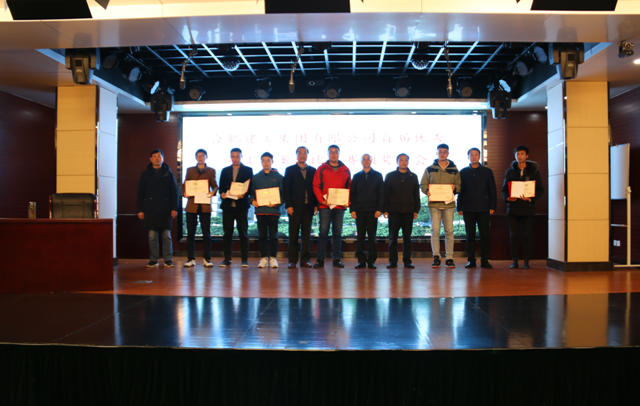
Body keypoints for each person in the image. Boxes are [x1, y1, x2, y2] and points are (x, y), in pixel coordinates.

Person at [501, 145, 545, 270]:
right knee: (513, 236)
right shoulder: (510, 171)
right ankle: (515, 261)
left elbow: (540, 189)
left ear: (527, 156)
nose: (519, 156)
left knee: (527, 236)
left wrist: (531, 198)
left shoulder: (534, 171)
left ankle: (526, 261)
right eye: (517, 154)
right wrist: (507, 198)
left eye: (522, 154)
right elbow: (504, 189)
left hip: (528, 209)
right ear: (515, 156)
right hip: (513, 208)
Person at [420, 143, 461, 269]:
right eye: (440, 151)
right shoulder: (429, 169)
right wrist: (427, 191)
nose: (442, 154)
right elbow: (423, 184)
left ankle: (449, 258)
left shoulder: (454, 169)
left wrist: (455, 188)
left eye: (445, 151)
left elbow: (459, 186)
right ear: (437, 153)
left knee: (449, 231)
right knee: (435, 231)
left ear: (448, 153)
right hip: (434, 204)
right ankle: (436, 257)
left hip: (449, 204)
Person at [137, 149, 178, 268]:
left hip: (165, 209)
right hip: (150, 209)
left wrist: (174, 208)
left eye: (159, 156)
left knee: (166, 236)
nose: (157, 158)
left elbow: (174, 192)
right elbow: (140, 193)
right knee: (152, 237)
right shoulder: (145, 174)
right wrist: (140, 210)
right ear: (150, 159)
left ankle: (168, 259)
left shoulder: (169, 174)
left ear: (163, 158)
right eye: (154, 156)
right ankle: (153, 260)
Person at [312, 144, 352, 268]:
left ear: (339, 154)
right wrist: (321, 201)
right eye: (331, 152)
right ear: (328, 154)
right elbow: (315, 186)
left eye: (336, 152)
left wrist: (347, 201)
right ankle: (320, 259)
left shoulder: (346, 170)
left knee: (337, 233)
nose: (333, 154)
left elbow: (349, 187)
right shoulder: (321, 169)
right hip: (325, 206)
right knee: (323, 232)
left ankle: (337, 259)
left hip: (340, 207)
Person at [457, 147, 496, 269]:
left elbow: (492, 190)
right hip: (468, 208)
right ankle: (471, 260)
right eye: (471, 155)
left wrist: (492, 205)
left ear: (479, 156)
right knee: (470, 236)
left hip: (483, 208)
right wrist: (459, 207)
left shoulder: (487, 171)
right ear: (468, 157)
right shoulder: (463, 172)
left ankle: (485, 260)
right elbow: (460, 191)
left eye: (476, 154)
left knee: (485, 235)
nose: (473, 157)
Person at [283, 146, 318, 269]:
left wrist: (316, 205)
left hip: (308, 207)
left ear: (307, 155)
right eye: (300, 153)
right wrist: (289, 205)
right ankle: (292, 260)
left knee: (306, 235)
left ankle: (305, 260)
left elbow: (315, 189)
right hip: (294, 207)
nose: (302, 155)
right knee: (293, 235)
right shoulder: (290, 170)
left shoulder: (313, 170)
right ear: (296, 155)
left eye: (304, 153)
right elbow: (286, 189)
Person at [383, 153, 420, 269]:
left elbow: (416, 195)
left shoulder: (413, 177)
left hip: (408, 211)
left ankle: (407, 261)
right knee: (392, 238)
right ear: (397, 162)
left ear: (408, 162)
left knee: (407, 238)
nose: (403, 162)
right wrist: (385, 210)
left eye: (405, 160)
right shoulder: (390, 176)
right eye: (401, 160)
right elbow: (385, 194)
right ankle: (392, 262)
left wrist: (416, 210)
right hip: (393, 211)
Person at [218, 148, 254, 267]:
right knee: (227, 234)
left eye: (237, 156)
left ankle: (244, 259)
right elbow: (221, 187)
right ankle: (227, 259)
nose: (235, 159)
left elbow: (250, 188)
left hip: (241, 206)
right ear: (230, 157)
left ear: (241, 156)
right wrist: (222, 193)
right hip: (228, 206)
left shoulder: (248, 170)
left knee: (243, 233)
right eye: (233, 156)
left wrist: (245, 194)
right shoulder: (225, 170)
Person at [183, 149, 218, 268]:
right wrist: (185, 192)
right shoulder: (190, 170)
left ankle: (207, 259)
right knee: (190, 234)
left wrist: (213, 192)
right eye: (198, 156)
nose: (200, 157)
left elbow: (215, 186)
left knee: (206, 233)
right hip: (192, 205)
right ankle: (190, 259)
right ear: (195, 157)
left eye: (202, 155)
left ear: (206, 157)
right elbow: (185, 184)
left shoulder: (211, 171)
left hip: (204, 205)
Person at [249, 152, 284, 268]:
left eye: (268, 160)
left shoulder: (279, 177)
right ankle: (263, 258)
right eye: (263, 160)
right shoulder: (255, 177)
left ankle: (273, 258)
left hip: (273, 211)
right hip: (260, 211)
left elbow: (283, 195)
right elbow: (251, 194)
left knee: (274, 236)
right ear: (261, 162)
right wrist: (252, 201)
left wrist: (276, 203)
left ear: (272, 161)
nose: (266, 163)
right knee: (262, 236)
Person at [350, 153, 384, 269]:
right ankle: (361, 260)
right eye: (363, 159)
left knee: (372, 237)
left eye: (368, 159)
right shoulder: (356, 176)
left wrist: (379, 209)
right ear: (361, 161)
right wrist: (353, 209)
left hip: (372, 211)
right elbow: (353, 194)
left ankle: (371, 261)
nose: (366, 161)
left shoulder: (378, 176)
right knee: (360, 237)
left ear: (371, 160)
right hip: (359, 211)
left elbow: (381, 194)